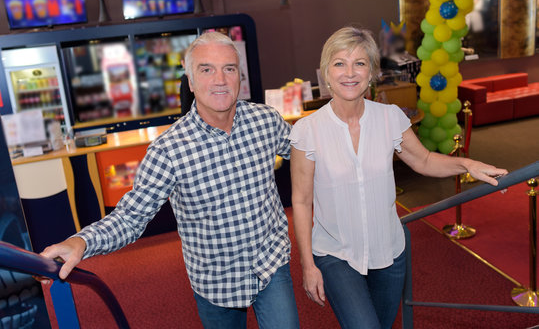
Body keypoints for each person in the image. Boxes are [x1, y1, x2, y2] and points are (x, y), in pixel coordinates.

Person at [40, 31, 300, 329]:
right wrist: (81, 242)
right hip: (216, 280)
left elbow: (306, 154)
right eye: (206, 69)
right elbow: (130, 218)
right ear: (190, 81)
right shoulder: (169, 150)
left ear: (239, 77)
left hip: (271, 261)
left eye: (229, 68)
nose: (220, 79)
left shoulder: (266, 121)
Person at [289, 26, 507, 329]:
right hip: (336, 254)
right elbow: (300, 201)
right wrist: (307, 265)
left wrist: (466, 164)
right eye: (339, 63)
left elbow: (424, 160)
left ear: (372, 72)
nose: (350, 72)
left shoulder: (390, 117)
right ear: (326, 72)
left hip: (389, 252)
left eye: (360, 63)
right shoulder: (306, 130)